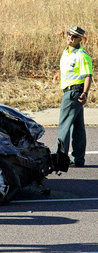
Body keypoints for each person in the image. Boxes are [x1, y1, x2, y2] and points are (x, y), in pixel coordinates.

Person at [52, 25, 93, 167]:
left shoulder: (81, 55)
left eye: (74, 36)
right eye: (69, 34)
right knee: (78, 127)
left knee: (64, 126)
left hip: (73, 94)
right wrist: (59, 74)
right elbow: (68, 68)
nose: (70, 37)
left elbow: (88, 75)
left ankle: (60, 160)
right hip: (71, 91)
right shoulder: (67, 51)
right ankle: (78, 159)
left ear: (80, 39)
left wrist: (85, 93)